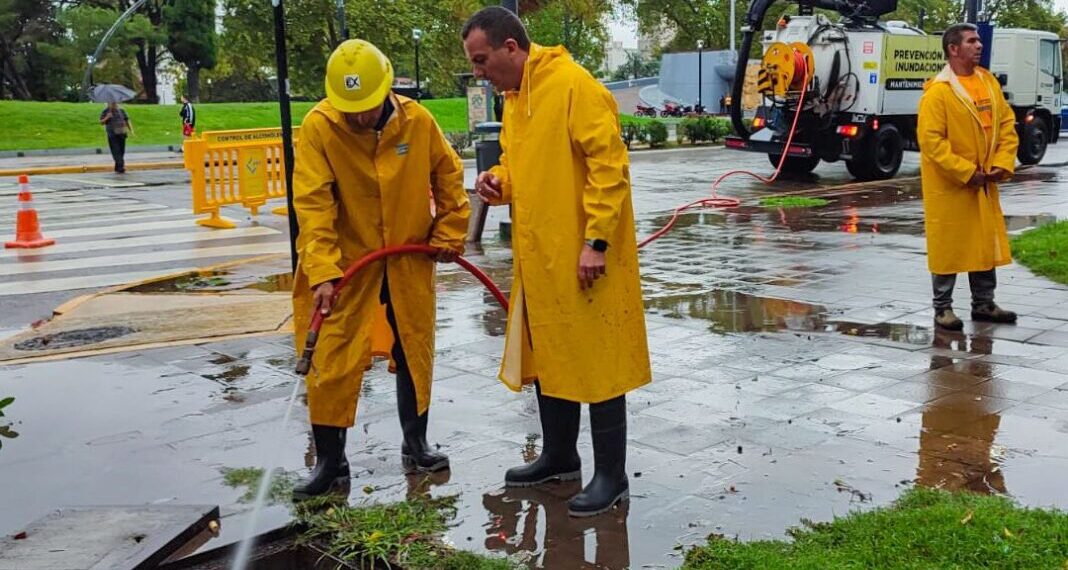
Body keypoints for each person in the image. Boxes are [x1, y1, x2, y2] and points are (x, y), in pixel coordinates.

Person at [463, 6, 651, 518]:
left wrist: (597, 241)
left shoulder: (574, 86)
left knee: (599, 362)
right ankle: (559, 456)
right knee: (551, 354)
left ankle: (612, 475)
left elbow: (609, 167)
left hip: (584, 256)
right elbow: (526, 165)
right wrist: (498, 181)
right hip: (540, 258)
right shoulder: (515, 98)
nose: (478, 72)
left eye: (481, 60)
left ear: (510, 47)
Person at [290, 39, 470, 498]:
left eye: (366, 108)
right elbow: (313, 204)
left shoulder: (417, 121)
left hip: (408, 257)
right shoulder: (319, 127)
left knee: (413, 347)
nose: (357, 118)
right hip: (346, 261)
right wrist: (323, 271)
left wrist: (448, 233)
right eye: (348, 108)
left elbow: (449, 176)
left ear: (386, 92)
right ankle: (331, 462)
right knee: (331, 355)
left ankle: (417, 444)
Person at [917, 23, 1019, 331]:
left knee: (983, 243)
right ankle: (943, 308)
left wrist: (1002, 163)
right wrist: (965, 172)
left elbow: (1006, 125)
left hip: (984, 182)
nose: (978, 45)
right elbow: (932, 142)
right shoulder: (939, 92)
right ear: (953, 48)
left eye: (978, 40)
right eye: (971, 41)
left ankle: (984, 303)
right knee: (949, 246)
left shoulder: (988, 82)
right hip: (953, 185)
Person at [99, 102, 133, 173]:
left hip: (122, 132)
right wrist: (107, 117)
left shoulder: (121, 110)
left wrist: (131, 130)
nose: (114, 104)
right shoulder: (106, 111)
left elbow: (127, 120)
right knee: (116, 150)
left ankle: (117, 167)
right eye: (112, 103)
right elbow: (101, 122)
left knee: (121, 151)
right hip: (112, 134)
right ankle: (121, 166)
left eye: (115, 103)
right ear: (108, 103)